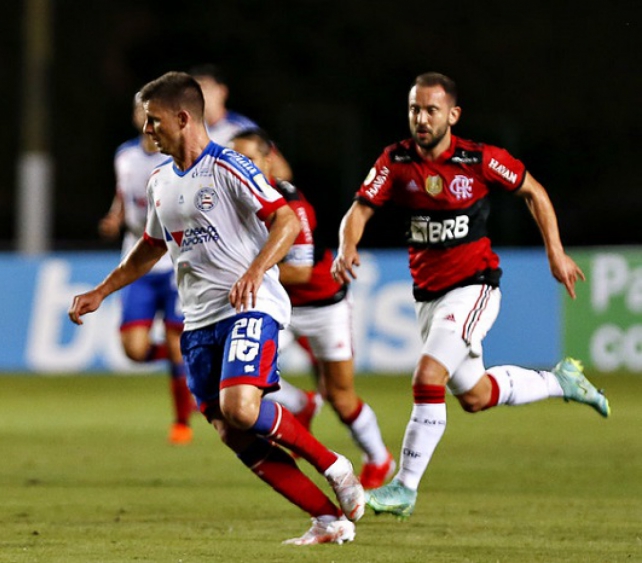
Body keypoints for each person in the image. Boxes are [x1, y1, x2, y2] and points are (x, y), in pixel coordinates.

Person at [70, 71, 364, 545]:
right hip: (200, 320)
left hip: (250, 306)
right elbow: (150, 246)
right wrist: (102, 291)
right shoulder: (161, 180)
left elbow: (285, 220)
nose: (147, 131)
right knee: (233, 433)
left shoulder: (229, 166)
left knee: (240, 407)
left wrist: (255, 271)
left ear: (182, 118)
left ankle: (333, 463)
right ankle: (328, 520)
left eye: (153, 121)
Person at [331, 71, 611, 520]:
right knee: (475, 395)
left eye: (431, 110)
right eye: (414, 109)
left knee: (427, 378)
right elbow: (359, 209)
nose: (421, 119)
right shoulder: (396, 160)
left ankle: (404, 487)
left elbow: (533, 192)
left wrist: (555, 254)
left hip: (474, 287)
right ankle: (562, 381)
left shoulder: (479, 160)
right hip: (428, 296)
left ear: (452, 115)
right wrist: (347, 244)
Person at [230, 128, 396, 489]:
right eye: (235, 159)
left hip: (324, 305)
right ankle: (300, 404)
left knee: (340, 396)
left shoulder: (293, 204)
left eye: (249, 160)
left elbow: (302, 271)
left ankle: (380, 459)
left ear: (269, 161)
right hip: (278, 305)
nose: (241, 167)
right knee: (245, 379)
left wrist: (246, 273)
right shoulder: (233, 197)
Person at [98, 93, 194, 445]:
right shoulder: (124, 155)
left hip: (173, 259)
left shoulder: (179, 159)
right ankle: (188, 372)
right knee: (134, 350)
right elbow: (123, 196)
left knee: (175, 344)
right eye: (142, 110)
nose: (148, 118)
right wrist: (115, 218)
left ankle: (182, 421)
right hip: (136, 257)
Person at [189, 63, 293, 180]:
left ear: (222, 91)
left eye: (204, 87)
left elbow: (282, 171)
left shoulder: (241, 127)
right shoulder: (189, 129)